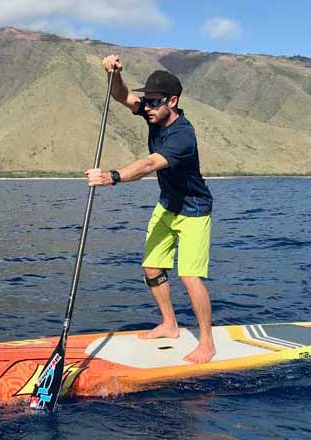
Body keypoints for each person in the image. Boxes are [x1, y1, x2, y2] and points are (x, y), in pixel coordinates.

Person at [85, 55, 215, 363]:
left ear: (172, 101)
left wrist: (112, 176)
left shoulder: (183, 136)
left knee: (190, 277)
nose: (148, 106)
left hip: (194, 209)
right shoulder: (151, 112)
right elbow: (120, 95)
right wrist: (115, 74)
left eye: (154, 102)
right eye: (147, 101)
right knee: (152, 266)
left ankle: (207, 342)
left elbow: (148, 164)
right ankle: (170, 325)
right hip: (167, 204)